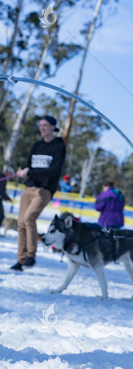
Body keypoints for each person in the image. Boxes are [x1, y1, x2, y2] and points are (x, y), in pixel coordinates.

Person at [10, 115, 66, 271]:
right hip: (29, 187)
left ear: (53, 128)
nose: (42, 128)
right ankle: (20, 260)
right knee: (21, 223)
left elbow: (53, 170)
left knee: (29, 217)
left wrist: (30, 172)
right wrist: (25, 172)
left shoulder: (59, 146)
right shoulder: (36, 146)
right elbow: (30, 166)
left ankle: (31, 256)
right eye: (40, 125)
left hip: (45, 189)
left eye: (45, 125)